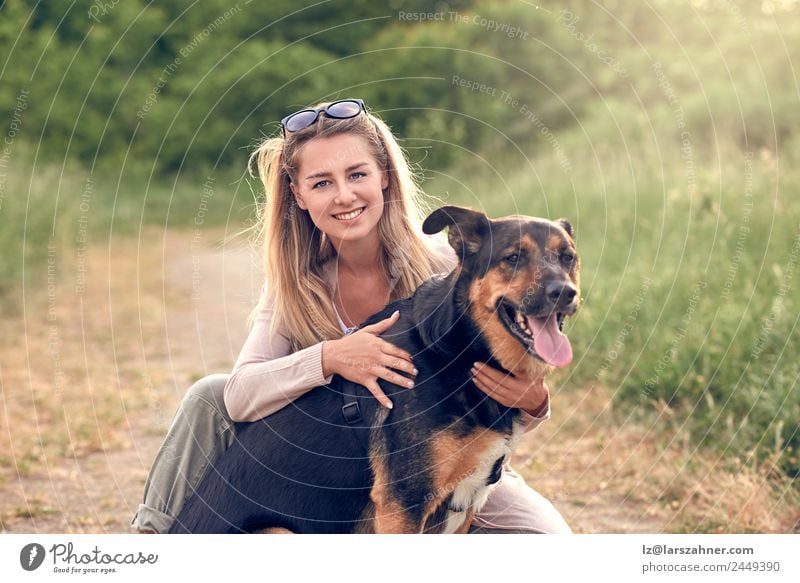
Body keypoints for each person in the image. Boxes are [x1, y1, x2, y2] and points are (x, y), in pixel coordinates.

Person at [131, 98, 571, 534]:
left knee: (549, 540)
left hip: (445, 451)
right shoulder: (296, 287)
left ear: (384, 177)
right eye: (322, 183)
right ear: (299, 195)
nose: (344, 195)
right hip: (339, 466)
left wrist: (536, 402)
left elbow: (497, 389)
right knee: (209, 395)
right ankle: (151, 543)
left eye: (357, 174)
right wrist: (329, 357)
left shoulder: (449, 268)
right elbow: (240, 396)